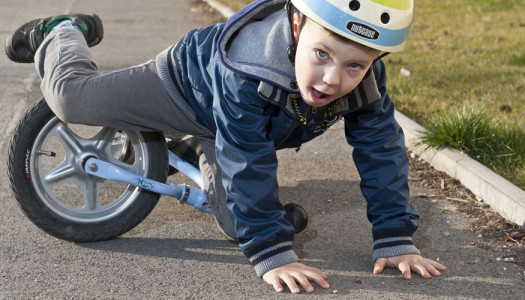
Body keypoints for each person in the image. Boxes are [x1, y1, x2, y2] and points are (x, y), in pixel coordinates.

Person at [5, 0, 446, 294]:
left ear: (374, 62)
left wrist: (395, 238)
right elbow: (247, 157)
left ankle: (194, 151)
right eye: (322, 55)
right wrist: (272, 252)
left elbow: (382, 152)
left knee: (242, 226)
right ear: (297, 25)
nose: (334, 80)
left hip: (229, 128)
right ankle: (63, 31)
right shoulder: (248, 68)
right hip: (182, 86)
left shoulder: (366, 83)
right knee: (71, 98)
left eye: (355, 65)